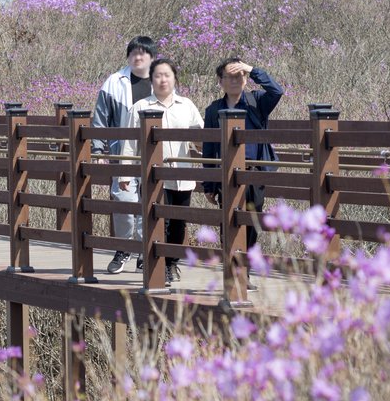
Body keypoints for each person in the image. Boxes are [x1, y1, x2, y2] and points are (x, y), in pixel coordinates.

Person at [123, 56, 204, 286]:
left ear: (175, 79)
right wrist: (125, 175)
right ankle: (160, 266)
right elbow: (130, 144)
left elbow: (201, 135)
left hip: (183, 177)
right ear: (151, 80)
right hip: (154, 178)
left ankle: (172, 263)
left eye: (167, 75)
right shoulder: (140, 107)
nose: (162, 80)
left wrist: (201, 145)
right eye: (157, 75)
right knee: (161, 222)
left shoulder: (186, 105)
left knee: (179, 222)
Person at [201, 58, 284, 251]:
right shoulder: (213, 110)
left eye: (240, 75)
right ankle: (233, 271)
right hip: (226, 175)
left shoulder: (257, 102)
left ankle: (244, 271)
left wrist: (252, 69)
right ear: (220, 82)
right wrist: (208, 184)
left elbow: (277, 91)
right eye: (229, 76)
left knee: (252, 223)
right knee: (228, 222)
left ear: (246, 79)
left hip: (254, 173)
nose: (235, 80)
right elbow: (209, 148)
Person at [92, 35, 157, 274]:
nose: (138, 57)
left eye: (143, 53)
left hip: (153, 153)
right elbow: (100, 117)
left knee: (148, 200)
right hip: (123, 153)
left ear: (152, 57)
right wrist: (97, 149)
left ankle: (142, 251)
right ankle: (123, 248)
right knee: (124, 200)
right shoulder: (114, 82)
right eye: (133, 53)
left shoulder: (160, 81)